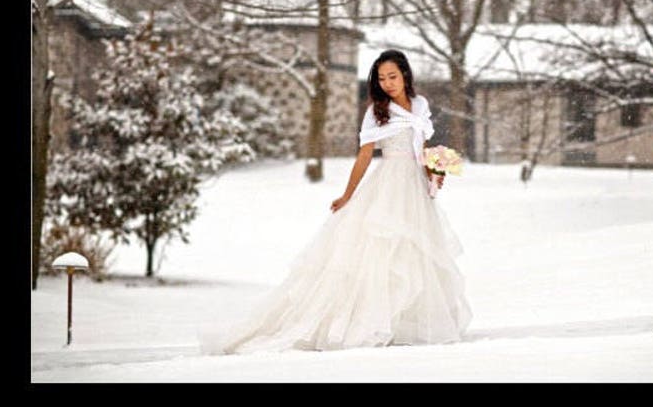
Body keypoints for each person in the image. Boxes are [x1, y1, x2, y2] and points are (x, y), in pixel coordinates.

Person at [198, 49, 472, 354]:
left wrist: (434, 171)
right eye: (381, 79)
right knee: (380, 252)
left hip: (415, 188)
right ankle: (370, 322)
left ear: (405, 75)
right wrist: (348, 194)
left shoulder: (420, 105)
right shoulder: (376, 112)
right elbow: (365, 156)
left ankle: (405, 323)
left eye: (392, 77)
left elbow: (420, 147)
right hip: (388, 183)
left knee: (414, 253)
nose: (387, 84)